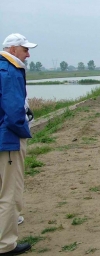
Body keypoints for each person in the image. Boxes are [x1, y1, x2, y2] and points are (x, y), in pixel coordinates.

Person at [0, 33, 37, 255]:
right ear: (12, 50)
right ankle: (6, 245)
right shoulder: (10, 71)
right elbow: (14, 112)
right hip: (9, 139)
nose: (28, 54)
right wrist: (23, 130)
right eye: (25, 49)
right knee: (11, 192)